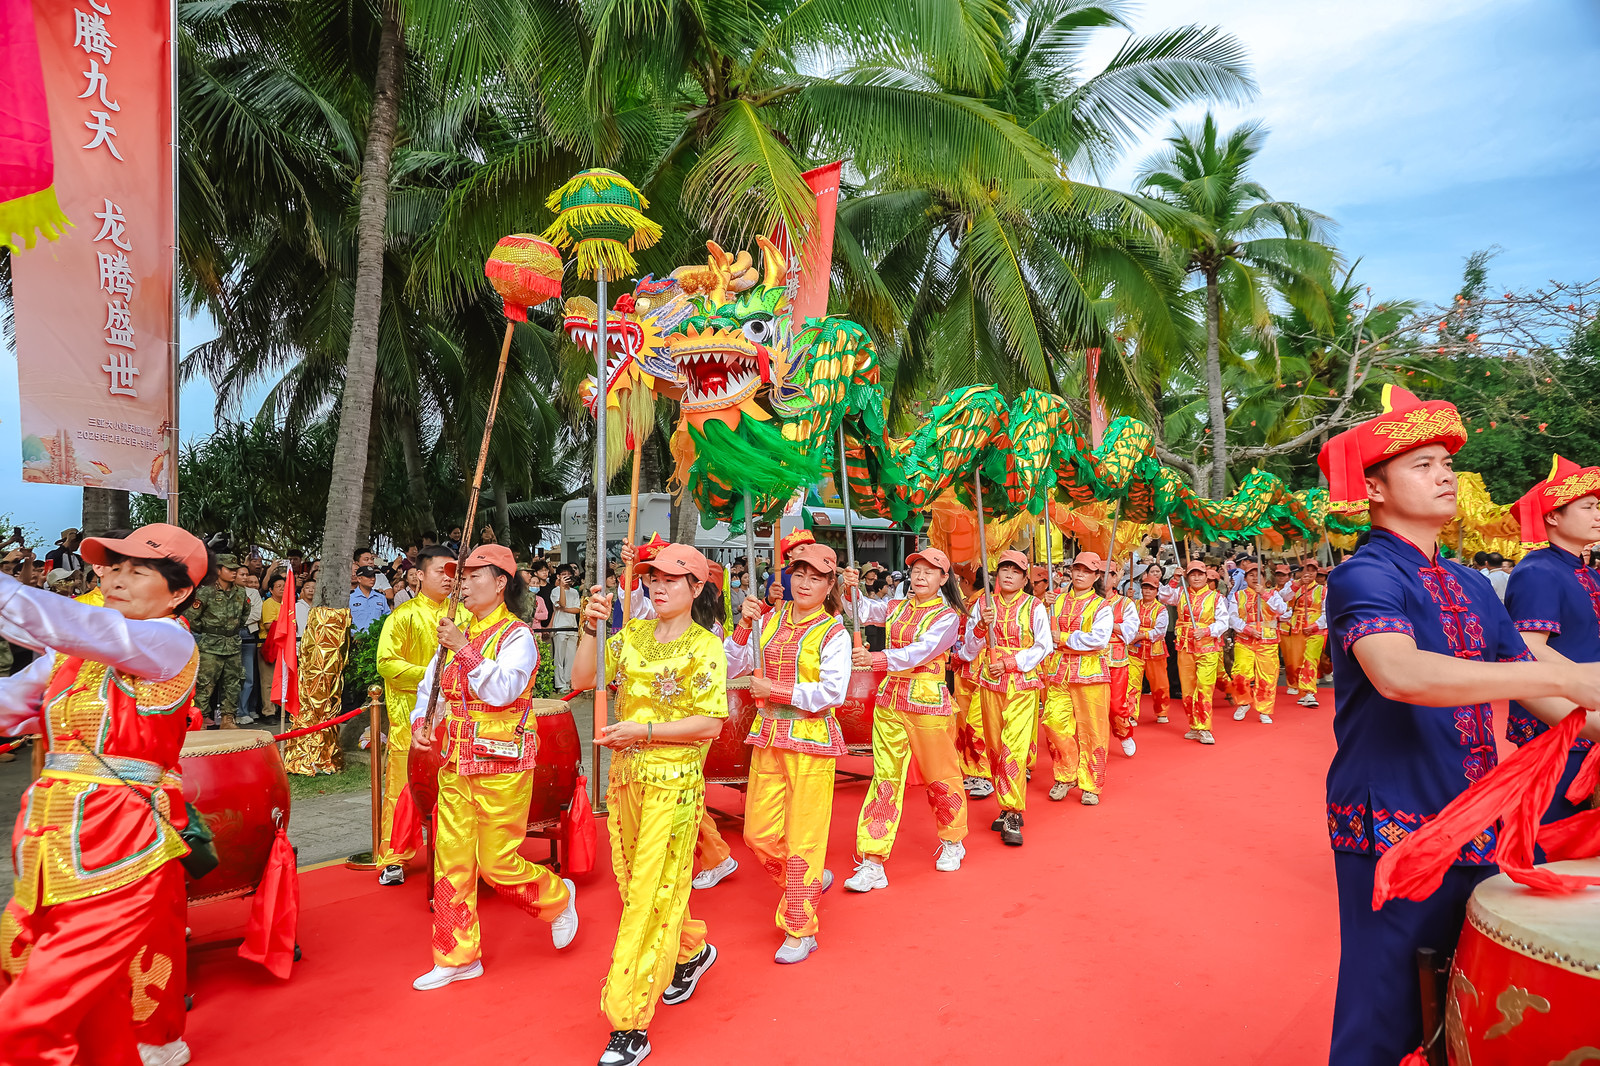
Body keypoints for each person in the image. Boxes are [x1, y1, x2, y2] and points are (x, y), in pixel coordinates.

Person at [1316, 386, 1600, 1065]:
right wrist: (1561, 677)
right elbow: (1401, 674)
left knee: (1462, 997)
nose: (1445, 475)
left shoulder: (1473, 584)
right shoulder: (1364, 574)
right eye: (1421, 464)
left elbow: (1546, 691)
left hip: (1474, 814)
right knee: (1385, 1004)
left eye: (1447, 462)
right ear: (1375, 488)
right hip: (1392, 816)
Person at [0, 522, 206, 1066]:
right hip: (48, 832)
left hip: (119, 834)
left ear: (179, 592)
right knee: (29, 958)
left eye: (138, 570)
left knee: (46, 994)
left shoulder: (168, 639)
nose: (117, 579)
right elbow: (10, 703)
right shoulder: (73, 656)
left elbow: (66, 622)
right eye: (113, 567)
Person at [571, 545, 727, 1066]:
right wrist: (591, 629)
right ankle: (691, 949)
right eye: (651, 578)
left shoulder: (706, 647)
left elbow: (710, 724)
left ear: (696, 589)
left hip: (675, 786)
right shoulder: (632, 635)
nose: (658, 587)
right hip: (626, 783)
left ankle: (629, 1020)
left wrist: (646, 731)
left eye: (671, 580)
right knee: (637, 880)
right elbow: (583, 681)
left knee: (645, 896)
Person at [408, 543, 578, 991]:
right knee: (451, 860)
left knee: (496, 862)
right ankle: (457, 955)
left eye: (474, 575)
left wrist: (463, 649)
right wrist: (420, 722)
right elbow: (433, 686)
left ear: (501, 582)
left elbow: (503, 690)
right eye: (460, 576)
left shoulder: (517, 635)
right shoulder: (456, 631)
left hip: (501, 764)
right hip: (456, 762)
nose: (462, 583)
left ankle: (557, 898)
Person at [724, 539, 850, 964]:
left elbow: (832, 692)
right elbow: (731, 665)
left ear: (830, 583)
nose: (805, 583)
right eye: (799, 574)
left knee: (804, 838)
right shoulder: (771, 618)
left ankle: (800, 926)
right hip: (769, 738)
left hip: (811, 742)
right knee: (757, 833)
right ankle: (808, 883)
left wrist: (774, 689)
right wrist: (744, 625)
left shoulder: (834, 632)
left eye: (816, 577)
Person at [838, 547, 967, 892]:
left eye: (930, 571)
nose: (920, 576)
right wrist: (849, 586)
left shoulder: (947, 617)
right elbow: (860, 610)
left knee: (940, 775)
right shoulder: (895, 607)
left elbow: (921, 651)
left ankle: (953, 840)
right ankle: (872, 860)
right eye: (916, 569)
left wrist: (877, 658)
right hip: (891, 700)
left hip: (927, 702)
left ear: (943, 578)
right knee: (884, 778)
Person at [1503, 454, 1600, 823]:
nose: (1597, 514)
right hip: (1559, 718)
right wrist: (1588, 683)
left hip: (1590, 710)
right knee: (1555, 827)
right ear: (1553, 516)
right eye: (1588, 506)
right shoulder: (1538, 571)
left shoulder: (1587, 573)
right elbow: (1529, 646)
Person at [373, 546, 463, 885]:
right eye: (440, 570)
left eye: (452, 571)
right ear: (419, 575)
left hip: (456, 721)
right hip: (412, 720)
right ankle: (393, 857)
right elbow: (386, 662)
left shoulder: (465, 616)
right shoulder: (404, 615)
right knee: (403, 790)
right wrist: (430, 673)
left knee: (455, 788)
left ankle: (455, 851)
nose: (448, 577)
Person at [955, 549, 1051, 844]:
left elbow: (1043, 646)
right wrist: (982, 626)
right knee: (995, 748)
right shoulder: (983, 605)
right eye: (1004, 570)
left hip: (1021, 686)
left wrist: (1012, 662)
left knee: (1015, 748)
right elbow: (968, 650)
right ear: (996, 576)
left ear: (1024, 579)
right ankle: (1005, 802)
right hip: (990, 684)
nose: (1008, 574)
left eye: (1016, 571)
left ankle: (1012, 811)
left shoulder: (1035, 607)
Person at [1039, 553, 1114, 805]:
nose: (1080, 574)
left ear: (1096, 576)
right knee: (1053, 723)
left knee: (1093, 730)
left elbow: (1098, 639)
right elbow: (1037, 628)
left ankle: (1091, 783)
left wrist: (1062, 638)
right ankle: (1066, 773)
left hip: (1090, 674)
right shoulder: (1055, 600)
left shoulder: (1102, 607)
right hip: (1058, 671)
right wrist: (1041, 603)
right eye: (1077, 569)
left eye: (1087, 570)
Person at [1158, 560, 1229, 744]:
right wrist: (1174, 579)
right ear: (1187, 577)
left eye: (1200, 574)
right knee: (1188, 689)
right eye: (1192, 574)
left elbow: (1223, 622)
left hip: (1207, 649)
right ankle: (1193, 725)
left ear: (1206, 576)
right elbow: (1164, 596)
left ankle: (1204, 727)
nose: (1196, 577)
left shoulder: (1216, 597)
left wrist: (1206, 631)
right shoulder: (1181, 593)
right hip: (1185, 648)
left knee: (1204, 688)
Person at [185, 552, 249, 729]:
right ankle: (201, 719)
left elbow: (244, 615)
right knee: (205, 683)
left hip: (233, 644)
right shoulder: (205, 592)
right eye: (230, 569)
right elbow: (192, 617)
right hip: (210, 645)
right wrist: (209, 630)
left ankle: (228, 719)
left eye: (236, 569)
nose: (234, 573)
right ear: (218, 570)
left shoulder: (241, 593)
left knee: (233, 682)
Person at [1228, 561, 1291, 724]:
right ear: (1246, 578)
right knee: (1240, 673)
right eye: (1251, 575)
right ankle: (1243, 702)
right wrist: (1247, 629)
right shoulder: (1238, 595)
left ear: (1264, 577)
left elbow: (1282, 610)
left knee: (1267, 676)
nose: (1255, 577)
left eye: (1258, 574)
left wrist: (1264, 593)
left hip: (1267, 642)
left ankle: (1264, 709)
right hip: (1245, 640)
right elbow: (1232, 618)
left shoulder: (1273, 593)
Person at [1282, 560, 1328, 707]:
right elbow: (1281, 599)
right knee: (1295, 661)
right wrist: (1298, 584)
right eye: (1306, 570)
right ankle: (1300, 688)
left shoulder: (1323, 590)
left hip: (1315, 629)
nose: (1310, 573)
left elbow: (1328, 611)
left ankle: (1309, 692)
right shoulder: (1293, 585)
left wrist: (1316, 625)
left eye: (1313, 570)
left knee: (1310, 659)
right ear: (1301, 571)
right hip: (1295, 627)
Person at [1127, 572, 1171, 723]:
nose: (1147, 591)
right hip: (1135, 650)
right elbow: (1128, 622)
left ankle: (1162, 711)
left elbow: (1160, 632)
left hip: (1155, 650)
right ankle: (1131, 713)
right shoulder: (1133, 604)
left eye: (1151, 588)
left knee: (1159, 684)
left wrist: (1142, 635)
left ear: (1157, 592)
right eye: (1145, 587)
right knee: (1132, 682)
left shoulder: (1161, 609)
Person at [349, 566, 391, 631]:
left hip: (377, 638)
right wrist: (354, 634)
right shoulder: (350, 597)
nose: (373, 579)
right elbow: (346, 620)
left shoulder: (380, 597)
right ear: (359, 579)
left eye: (373, 576)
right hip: (356, 638)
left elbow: (387, 617)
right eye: (369, 576)